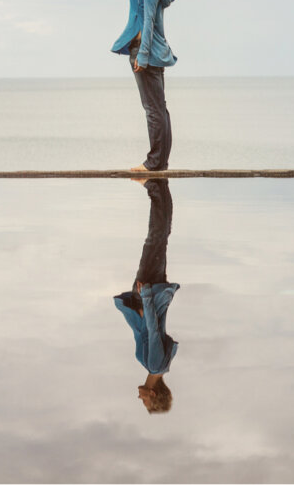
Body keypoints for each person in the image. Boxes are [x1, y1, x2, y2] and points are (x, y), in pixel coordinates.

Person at [111, 0, 178, 172]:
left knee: (153, 109)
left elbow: (149, 19)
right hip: (149, 49)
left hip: (145, 50)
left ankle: (153, 163)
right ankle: (160, 162)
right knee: (158, 107)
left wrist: (142, 54)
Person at [113, 177, 179, 414]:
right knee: (155, 240)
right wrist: (147, 298)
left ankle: (159, 188)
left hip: (150, 295)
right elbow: (152, 329)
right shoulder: (154, 364)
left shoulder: (162, 365)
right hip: (147, 293)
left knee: (159, 240)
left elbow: (160, 334)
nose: (139, 398)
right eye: (144, 401)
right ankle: (154, 186)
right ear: (153, 394)